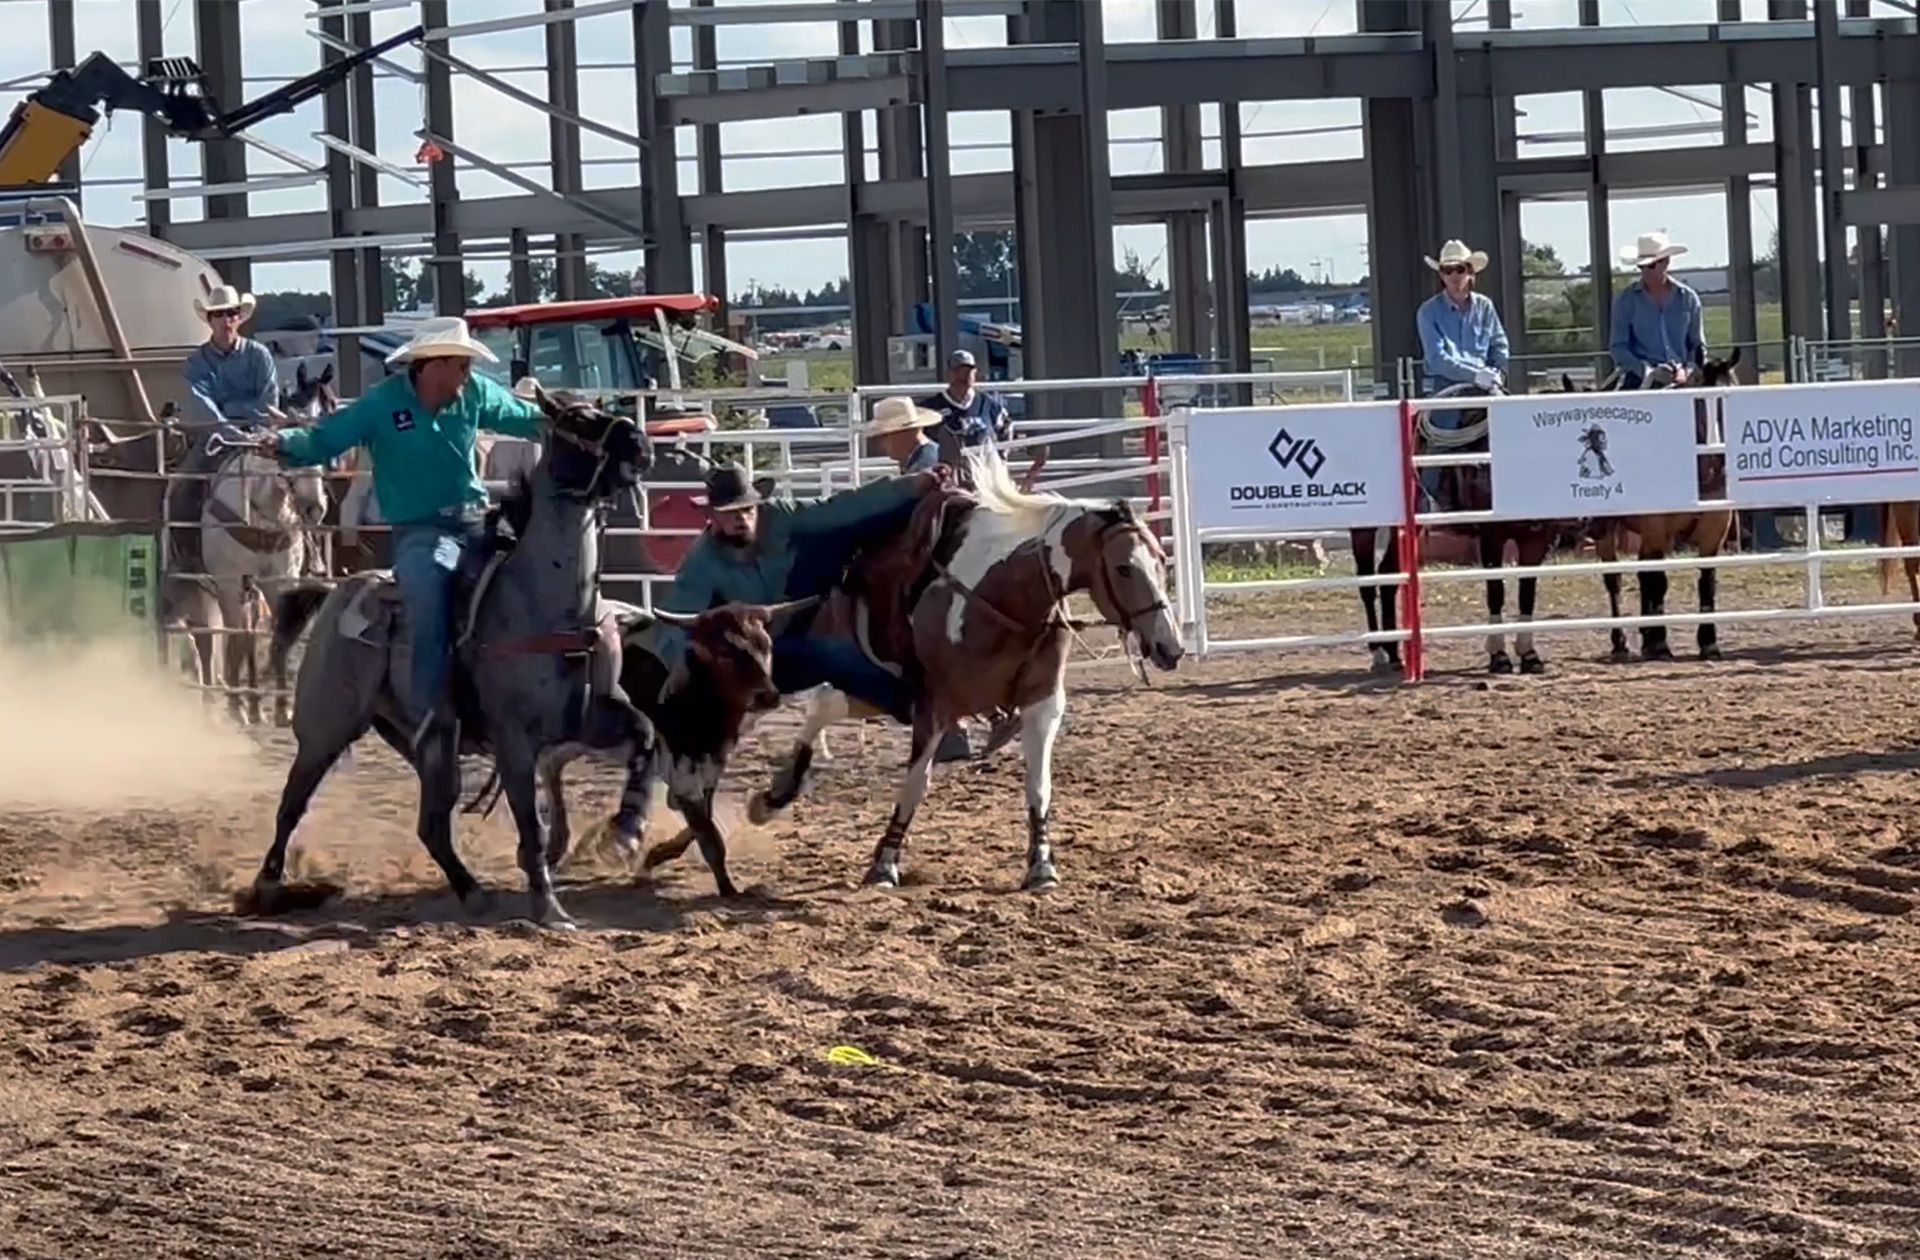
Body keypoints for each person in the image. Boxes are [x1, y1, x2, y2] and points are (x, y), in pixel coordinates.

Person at [255, 316, 546, 744]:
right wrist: (285, 443)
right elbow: (327, 439)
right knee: (431, 588)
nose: (468, 374)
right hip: (425, 534)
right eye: (460, 365)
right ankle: (431, 714)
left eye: (468, 365)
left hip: (476, 521)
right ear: (431, 364)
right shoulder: (382, 405)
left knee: (531, 577)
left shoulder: (476, 393)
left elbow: (525, 417)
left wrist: (572, 420)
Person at [641, 461, 948, 725]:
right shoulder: (702, 561)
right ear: (712, 516)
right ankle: (917, 709)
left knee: (847, 527)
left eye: (747, 509)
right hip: (757, 657)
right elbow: (676, 623)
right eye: (730, 512)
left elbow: (837, 508)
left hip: (797, 604)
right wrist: (689, 664)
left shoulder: (778, 515)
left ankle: (936, 519)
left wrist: (908, 487)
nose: (742, 519)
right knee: (831, 656)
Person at [165, 283, 282, 565]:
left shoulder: (259, 355)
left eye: (231, 313)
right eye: (219, 314)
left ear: (239, 317)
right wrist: (229, 428)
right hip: (214, 441)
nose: (226, 320)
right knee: (181, 490)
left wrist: (245, 423)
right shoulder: (196, 362)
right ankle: (186, 556)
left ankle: (312, 551)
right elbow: (200, 403)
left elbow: (270, 400)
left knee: (299, 482)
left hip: (258, 437)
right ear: (210, 319)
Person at [1414, 239, 1510, 508]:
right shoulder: (1428, 312)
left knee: (1514, 432)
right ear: (1441, 275)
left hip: (1486, 386)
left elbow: (1499, 344)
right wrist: (1476, 375)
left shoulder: (1485, 307)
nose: (1454, 276)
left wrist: (1496, 370)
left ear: (1471, 272)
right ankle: (1429, 500)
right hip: (1447, 387)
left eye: (1460, 269)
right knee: (1441, 439)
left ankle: (1515, 496)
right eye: (1448, 270)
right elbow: (1438, 359)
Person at [1609, 231, 1705, 389]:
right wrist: (1648, 371)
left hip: (1684, 380)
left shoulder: (1688, 298)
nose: (1645, 271)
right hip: (1639, 380)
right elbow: (1618, 347)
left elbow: (1697, 345)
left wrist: (1686, 371)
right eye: (1641, 266)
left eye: (1651, 265)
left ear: (1666, 262)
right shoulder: (1626, 300)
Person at [921, 349, 1011, 456]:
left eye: (968, 371)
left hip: (981, 466)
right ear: (949, 373)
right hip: (946, 467)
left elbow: (1006, 427)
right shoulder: (931, 407)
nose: (964, 376)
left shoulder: (989, 405)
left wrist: (1002, 455)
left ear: (975, 373)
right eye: (959, 371)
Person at [862, 394, 945, 475]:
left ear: (900, 433)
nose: (882, 444)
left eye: (884, 436)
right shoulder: (925, 458)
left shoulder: (923, 467)